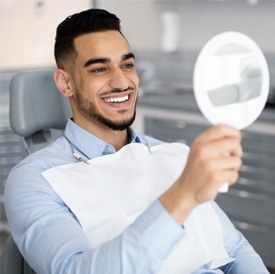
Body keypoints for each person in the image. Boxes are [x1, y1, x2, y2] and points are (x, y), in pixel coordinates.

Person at [4, 8, 269, 274]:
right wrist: (183, 194)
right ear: (65, 83)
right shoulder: (35, 179)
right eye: (99, 69)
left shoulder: (172, 155)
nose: (122, 82)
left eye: (127, 65)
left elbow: (236, 250)